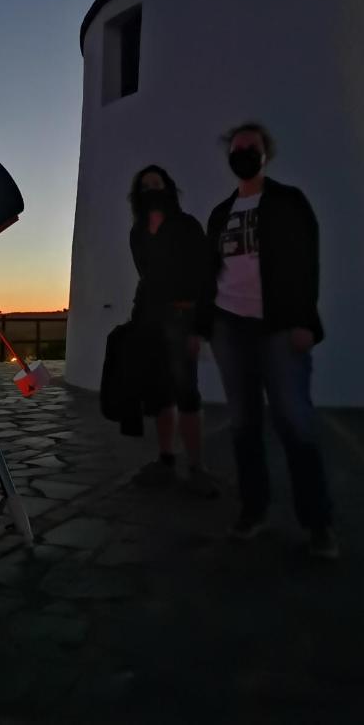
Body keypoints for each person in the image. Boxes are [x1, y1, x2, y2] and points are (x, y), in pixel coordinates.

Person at [197, 122, 337, 559]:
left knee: (295, 422)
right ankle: (253, 510)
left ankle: (318, 524)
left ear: (265, 153)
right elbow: (209, 272)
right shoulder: (221, 214)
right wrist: (206, 328)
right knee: (243, 426)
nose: (243, 154)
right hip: (230, 328)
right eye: (236, 149)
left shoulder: (289, 203)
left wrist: (303, 322)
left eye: (250, 148)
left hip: (278, 326)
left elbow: (305, 263)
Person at [129, 165, 217, 496]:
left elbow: (205, 276)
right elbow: (147, 279)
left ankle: (196, 466)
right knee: (160, 394)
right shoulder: (138, 232)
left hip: (182, 319)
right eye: (146, 186)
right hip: (150, 321)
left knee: (186, 393)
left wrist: (199, 327)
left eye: (157, 184)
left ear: (169, 188)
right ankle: (166, 459)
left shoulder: (187, 226)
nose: (152, 190)